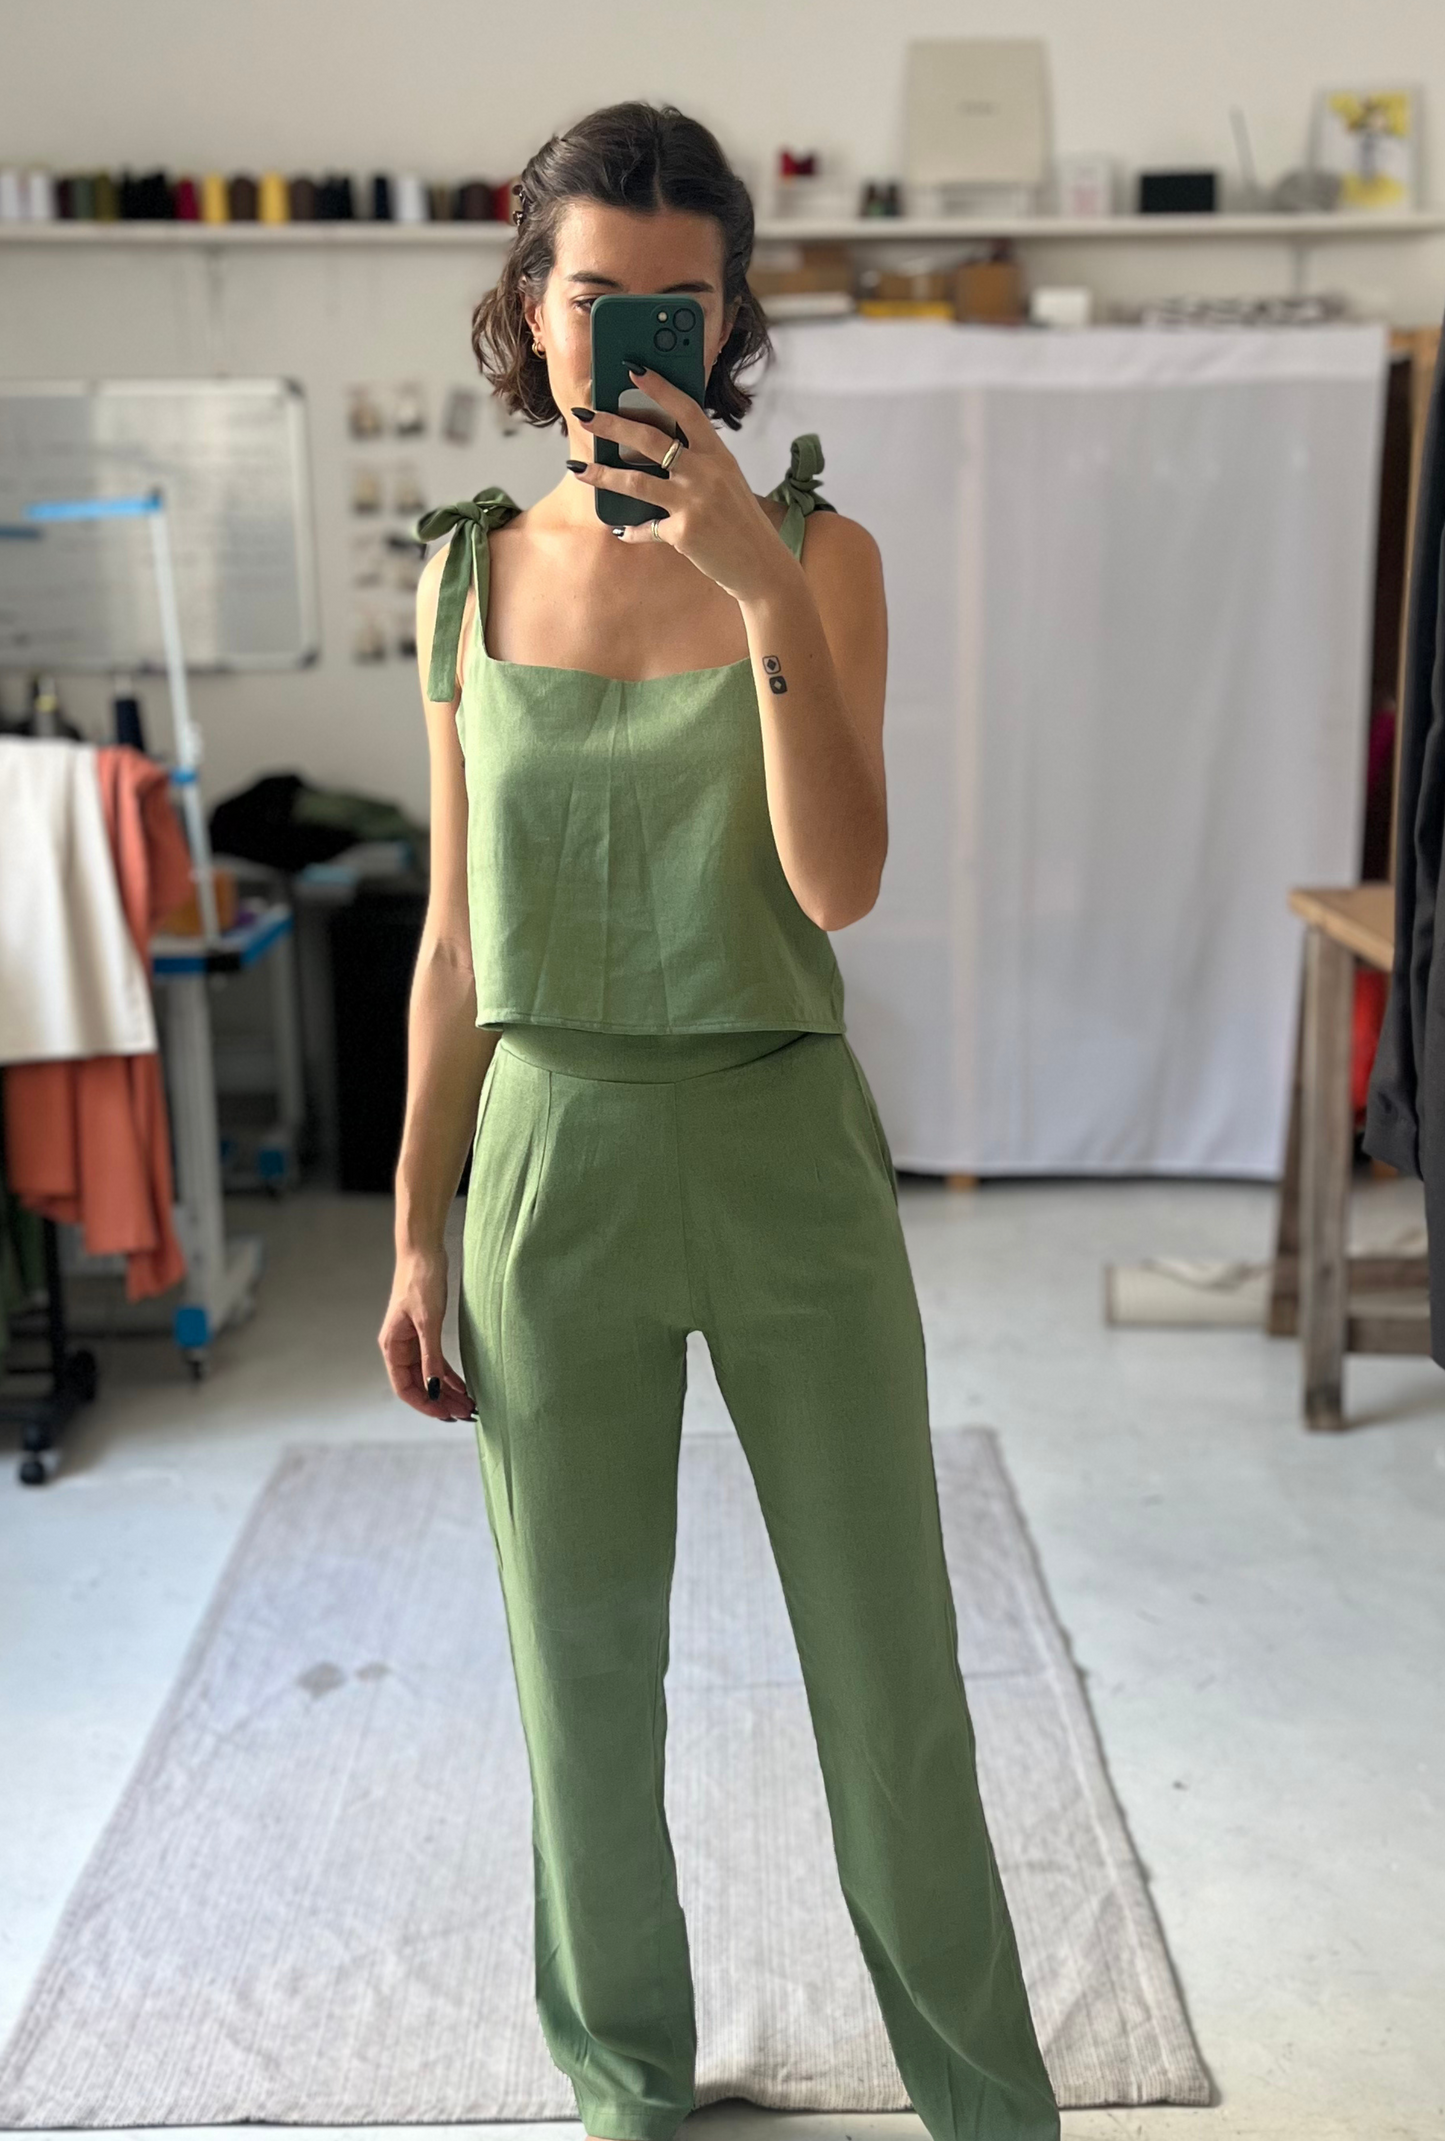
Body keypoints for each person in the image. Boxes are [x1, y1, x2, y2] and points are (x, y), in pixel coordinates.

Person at [379, 99, 1059, 2141]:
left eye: (678, 303)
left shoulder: (823, 555)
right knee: (578, 1684)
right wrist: (413, 1227)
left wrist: (761, 591)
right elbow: (450, 941)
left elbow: (839, 885)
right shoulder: (465, 578)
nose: (633, 338)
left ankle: (985, 2104)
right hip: (547, 1168)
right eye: (597, 297)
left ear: (731, 317)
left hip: (784, 1156)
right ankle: (625, 2085)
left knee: (888, 1672)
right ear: (533, 308)